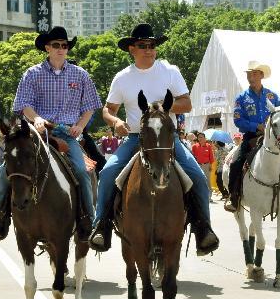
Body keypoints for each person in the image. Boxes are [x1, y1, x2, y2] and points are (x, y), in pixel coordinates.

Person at [88, 23, 219, 256]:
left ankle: (203, 229)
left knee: (198, 177)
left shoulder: (170, 71)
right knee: (108, 173)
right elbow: (108, 110)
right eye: (143, 45)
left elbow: (187, 104)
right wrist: (115, 122)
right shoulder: (122, 78)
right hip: (136, 138)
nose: (149, 49)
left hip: (168, 140)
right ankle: (102, 226)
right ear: (132, 49)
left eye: (152, 45)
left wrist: (160, 105)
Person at [0, 26, 101, 241]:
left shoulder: (81, 75)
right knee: (4, 170)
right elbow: (23, 104)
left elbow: (90, 107)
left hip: (67, 133)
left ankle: (88, 220)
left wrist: (80, 125)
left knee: (83, 172)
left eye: (64, 45)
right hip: (35, 132)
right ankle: (0, 217)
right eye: (56, 45)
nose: (60, 49)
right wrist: (36, 118)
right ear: (47, 48)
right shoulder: (32, 74)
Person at [224, 60, 280, 212]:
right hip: (251, 137)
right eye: (249, 74)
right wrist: (257, 126)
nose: (251, 76)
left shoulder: (273, 96)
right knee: (236, 163)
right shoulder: (241, 98)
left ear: (262, 75)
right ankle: (234, 196)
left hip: (272, 137)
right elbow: (238, 120)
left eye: (255, 73)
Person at [192, 132, 215, 201]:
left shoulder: (208, 146)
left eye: (202, 137)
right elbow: (192, 157)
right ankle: (198, 196)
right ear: (197, 138)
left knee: (207, 180)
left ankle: (209, 196)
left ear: (205, 138)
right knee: (198, 180)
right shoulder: (194, 146)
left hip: (206, 165)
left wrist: (210, 165)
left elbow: (211, 157)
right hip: (197, 165)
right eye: (199, 137)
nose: (200, 138)